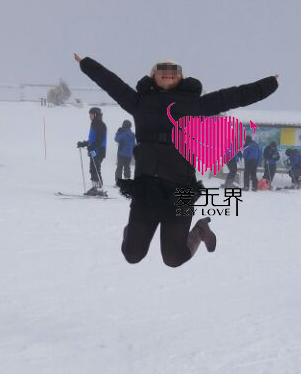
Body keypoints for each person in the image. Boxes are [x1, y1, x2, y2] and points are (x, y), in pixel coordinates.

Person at [75, 54, 277, 266]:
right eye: (162, 71)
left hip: (181, 186)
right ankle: (133, 232)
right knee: (132, 254)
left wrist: (270, 83)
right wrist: (86, 63)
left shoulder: (195, 104)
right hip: (147, 188)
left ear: (181, 77)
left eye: (174, 72)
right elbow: (111, 83)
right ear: (154, 76)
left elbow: (236, 95)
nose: (168, 75)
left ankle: (200, 230)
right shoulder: (139, 102)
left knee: (173, 258)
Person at [77, 106, 107, 195]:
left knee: (96, 169)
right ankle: (95, 188)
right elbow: (92, 139)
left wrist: (93, 146)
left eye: (91, 115)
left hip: (99, 150)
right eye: (89, 115)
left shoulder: (100, 124)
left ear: (95, 115)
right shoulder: (94, 124)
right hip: (94, 150)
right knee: (93, 169)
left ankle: (100, 189)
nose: (89, 116)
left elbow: (100, 139)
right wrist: (84, 144)